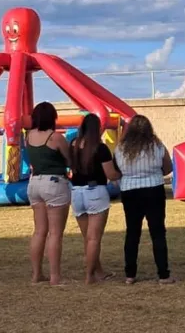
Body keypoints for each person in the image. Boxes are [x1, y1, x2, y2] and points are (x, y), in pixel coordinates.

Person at [114, 115, 176, 285]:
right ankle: (163, 274)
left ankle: (130, 274)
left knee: (132, 233)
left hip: (129, 191)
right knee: (158, 233)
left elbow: (116, 170)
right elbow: (168, 167)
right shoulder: (157, 146)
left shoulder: (120, 148)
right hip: (153, 189)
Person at [69, 113, 120, 285]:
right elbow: (110, 174)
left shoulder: (73, 145)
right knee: (94, 238)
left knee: (87, 237)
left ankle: (98, 271)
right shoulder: (100, 148)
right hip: (96, 191)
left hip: (76, 192)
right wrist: (121, 173)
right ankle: (89, 275)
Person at [25, 102, 71, 286]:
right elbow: (70, 159)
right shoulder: (56, 137)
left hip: (34, 182)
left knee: (39, 231)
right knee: (55, 233)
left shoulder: (29, 136)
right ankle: (55, 277)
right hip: (54, 183)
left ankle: (36, 275)